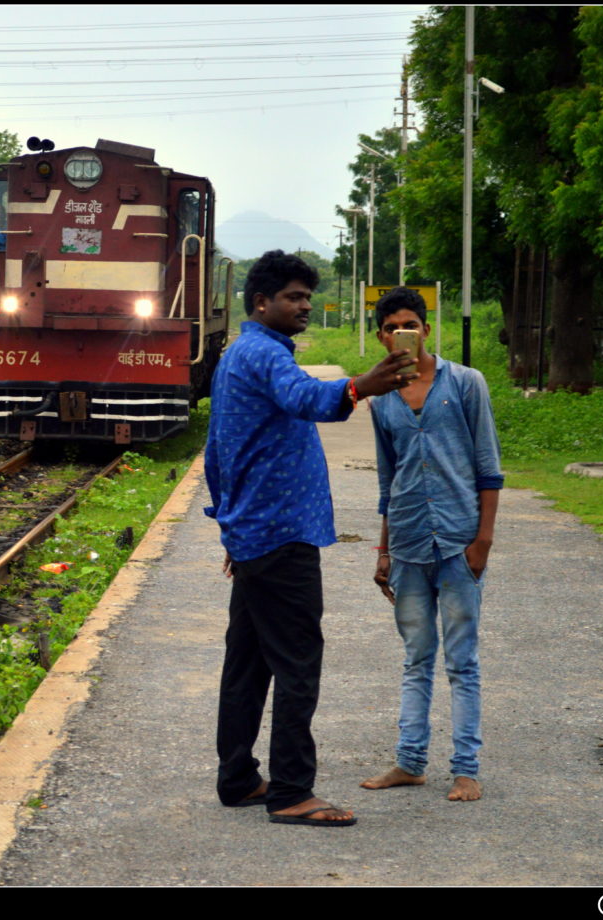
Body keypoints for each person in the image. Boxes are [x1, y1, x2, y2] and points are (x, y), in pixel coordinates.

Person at [204, 250, 417, 828]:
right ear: (261, 303)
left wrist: (230, 522)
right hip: (280, 535)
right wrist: (360, 386)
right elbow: (306, 399)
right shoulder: (264, 355)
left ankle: (239, 779)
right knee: (298, 662)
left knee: (247, 665)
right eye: (293, 297)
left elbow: (217, 448)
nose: (303, 307)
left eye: (305, 297)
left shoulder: (240, 354)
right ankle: (293, 791)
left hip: (256, 533)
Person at [360, 286, 503, 802]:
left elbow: (488, 468)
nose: (407, 332)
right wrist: (383, 551)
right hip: (409, 544)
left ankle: (466, 769)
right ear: (382, 336)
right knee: (416, 656)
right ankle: (410, 762)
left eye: (414, 324)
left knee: (462, 660)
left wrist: (483, 540)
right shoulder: (380, 402)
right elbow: (387, 481)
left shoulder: (465, 384)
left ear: (426, 329)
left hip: (460, 542)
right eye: (395, 325)